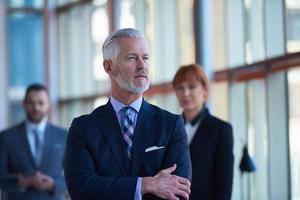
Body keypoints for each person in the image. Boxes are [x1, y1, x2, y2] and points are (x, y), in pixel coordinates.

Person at [63, 28, 192, 200]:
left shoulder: (171, 124)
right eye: (132, 58)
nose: (142, 65)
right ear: (108, 67)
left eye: (145, 58)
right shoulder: (84, 128)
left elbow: (178, 191)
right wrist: (145, 185)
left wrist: (109, 187)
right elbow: (81, 189)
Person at [173, 64, 234, 200]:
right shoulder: (170, 127)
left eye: (192, 87)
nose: (185, 93)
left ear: (205, 90)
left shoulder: (221, 129)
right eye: (180, 88)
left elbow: (224, 185)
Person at [0, 84, 67, 200]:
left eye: (41, 103)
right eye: (31, 103)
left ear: (48, 105)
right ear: (24, 104)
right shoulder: (6, 137)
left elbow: (75, 175)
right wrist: (23, 181)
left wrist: (53, 184)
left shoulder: (63, 136)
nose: (36, 107)